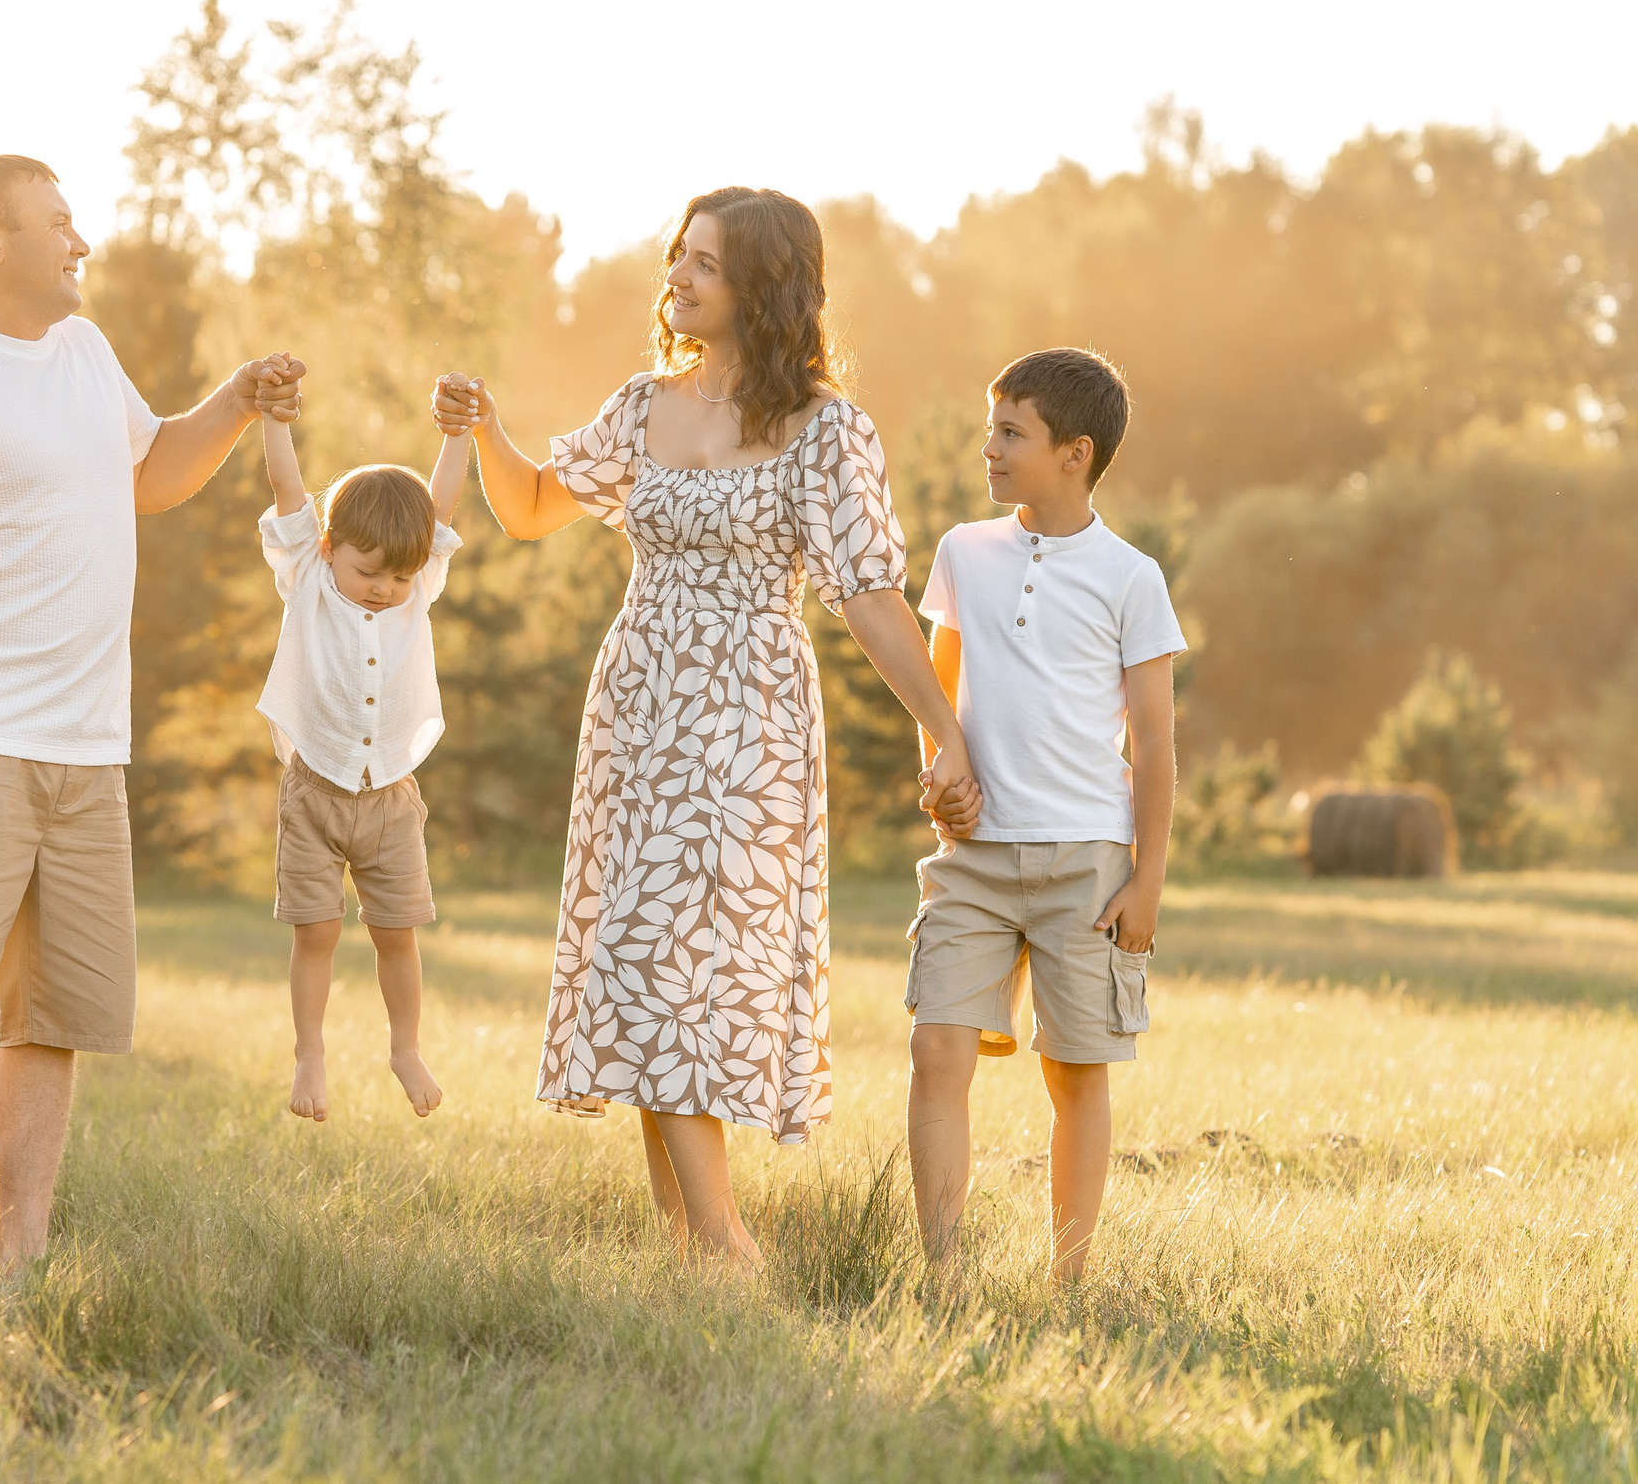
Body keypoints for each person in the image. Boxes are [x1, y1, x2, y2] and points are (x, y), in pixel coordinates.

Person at [431, 186, 980, 1269]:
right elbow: (535, 506)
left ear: (763, 288)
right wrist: (485, 431)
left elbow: (868, 593)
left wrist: (943, 730)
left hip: (744, 719)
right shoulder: (643, 405)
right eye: (677, 257)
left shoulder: (826, 430)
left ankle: (727, 1243)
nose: (677, 277)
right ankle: (689, 1249)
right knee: (640, 959)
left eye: (706, 265)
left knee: (687, 961)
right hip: (637, 706)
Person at [0, 153, 302, 1282]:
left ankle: (18, 1260)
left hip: (87, 752)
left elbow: (152, 473)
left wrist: (233, 401)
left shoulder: (83, 352)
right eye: (58, 223)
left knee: (53, 1020)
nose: (81, 242)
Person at [904, 347, 1184, 1284]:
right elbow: (935, 696)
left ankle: (1069, 1278)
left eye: (1010, 432)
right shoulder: (963, 553)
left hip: (1089, 863)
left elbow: (1153, 739)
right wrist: (937, 775)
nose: (988, 447)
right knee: (937, 1043)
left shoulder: (1130, 577)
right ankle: (941, 1275)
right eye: (992, 427)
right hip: (975, 857)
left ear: (1075, 451)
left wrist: (1146, 878)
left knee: (1075, 1070)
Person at [254, 385, 473, 1123]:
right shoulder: (306, 576)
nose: (384, 589)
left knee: (396, 931)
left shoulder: (417, 588)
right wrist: (275, 420)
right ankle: (308, 1049)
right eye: (368, 571)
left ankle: (404, 1045)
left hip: (391, 796)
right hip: (316, 787)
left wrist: (459, 430)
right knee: (316, 930)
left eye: (400, 576)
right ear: (328, 549)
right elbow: (287, 487)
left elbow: (439, 506)